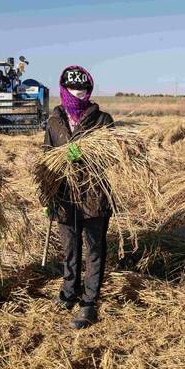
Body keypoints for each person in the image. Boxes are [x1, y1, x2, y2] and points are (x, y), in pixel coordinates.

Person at [43, 65, 114, 329]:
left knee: (95, 250)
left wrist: (84, 155)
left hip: (94, 196)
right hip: (63, 197)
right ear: (63, 89)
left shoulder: (102, 119)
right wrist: (47, 198)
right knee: (69, 250)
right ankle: (68, 291)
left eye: (83, 88)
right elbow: (46, 160)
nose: (79, 93)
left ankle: (89, 301)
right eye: (73, 88)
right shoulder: (54, 122)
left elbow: (112, 156)